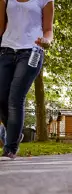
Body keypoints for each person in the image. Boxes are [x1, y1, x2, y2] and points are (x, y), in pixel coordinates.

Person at [0, 0, 54, 159]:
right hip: (6, 51)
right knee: (1, 98)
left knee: (15, 98)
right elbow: (1, 26)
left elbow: (48, 29)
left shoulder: (45, 0)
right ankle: (15, 134)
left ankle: (10, 147)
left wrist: (47, 41)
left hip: (31, 51)